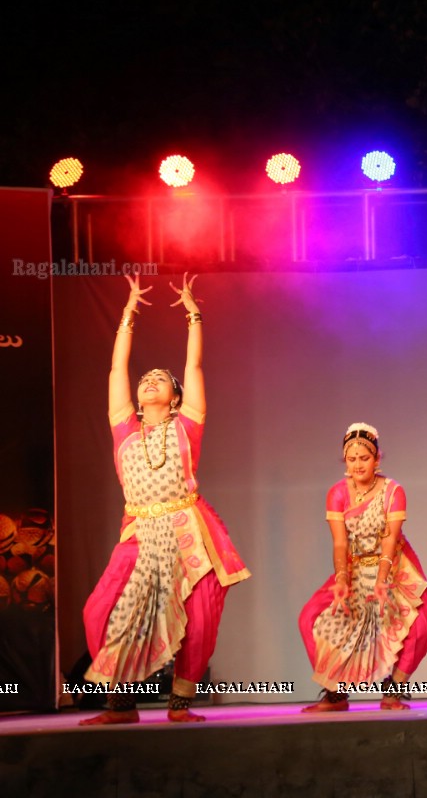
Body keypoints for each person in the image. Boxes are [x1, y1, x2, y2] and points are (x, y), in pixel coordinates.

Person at [81, 274, 250, 725]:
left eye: (161, 380)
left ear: (175, 398)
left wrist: (194, 314)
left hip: (187, 532)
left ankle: (180, 703)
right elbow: (117, 371)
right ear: (137, 398)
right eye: (147, 379)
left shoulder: (185, 428)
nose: (150, 381)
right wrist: (127, 315)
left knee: (199, 617)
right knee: (99, 608)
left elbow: (194, 367)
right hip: (139, 532)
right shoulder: (124, 431)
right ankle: (121, 703)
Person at [298, 423, 427, 711]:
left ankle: (393, 692)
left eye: (364, 458)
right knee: (311, 617)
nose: (358, 465)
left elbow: (391, 539)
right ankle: (335, 694)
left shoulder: (392, 491)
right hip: (354, 566)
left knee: (420, 624)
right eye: (352, 459)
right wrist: (341, 579)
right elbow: (340, 544)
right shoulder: (337, 493)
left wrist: (383, 579)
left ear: (377, 459)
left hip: (394, 565)